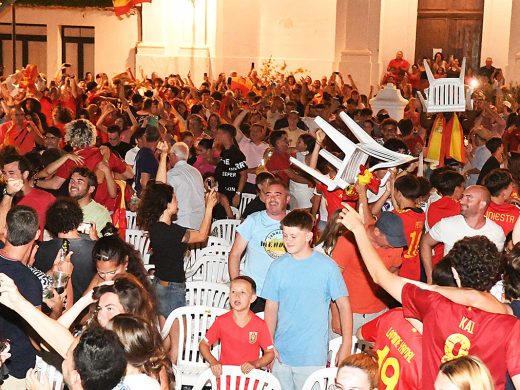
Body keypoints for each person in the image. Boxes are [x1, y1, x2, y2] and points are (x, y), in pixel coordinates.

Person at [337, 204, 520, 389]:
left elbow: (380, 276)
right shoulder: (510, 324)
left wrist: (358, 230)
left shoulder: (435, 307)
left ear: (454, 274)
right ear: (493, 276)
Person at [263, 209, 352, 390]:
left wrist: (347, 343)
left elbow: (344, 305)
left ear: (309, 236)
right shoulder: (277, 267)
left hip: (311, 356)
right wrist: (269, 345)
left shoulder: (327, 266)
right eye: (285, 235)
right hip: (281, 353)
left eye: (293, 236)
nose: (287, 240)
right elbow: (271, 308)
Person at [136, 182, 217, 317]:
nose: (177, 201)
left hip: (159, 284)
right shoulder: (171, 231)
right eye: (174, 198)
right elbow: (202, 236)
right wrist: (209, 208)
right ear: (166, 204)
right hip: (172, 289)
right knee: (180, 336)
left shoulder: (156, 227)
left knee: (165, 335)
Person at [420, 185, 505, 283]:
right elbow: (425, 242)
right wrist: (430, 276)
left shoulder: (496, 232)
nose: (461, 201)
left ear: (482, 204)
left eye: (468, 198)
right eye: (462, 197)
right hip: (449, 286)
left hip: (477, 290)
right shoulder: (447, 224)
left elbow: (495, 265)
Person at [228, 180, 290, 312]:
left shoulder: (295, 221)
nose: (272, 199)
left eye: (277, 195)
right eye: (268, 195)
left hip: (285, 293)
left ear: (287, 199)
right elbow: (235, 254)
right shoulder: (253, 220)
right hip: (256, 293)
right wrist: (238, 287)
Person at [199, 276, 274, 378]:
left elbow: (270, 353)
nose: (237, 296)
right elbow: (203, 345)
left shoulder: (259, 324)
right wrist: (213, 362)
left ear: (252, 298)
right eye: (233, 292)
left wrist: (255, 363)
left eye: (242, 292)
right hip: (225, 379)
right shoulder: (221, 321)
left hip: (250, 380)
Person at [0, 206, 42, 388]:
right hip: (14, 369)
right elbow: (38, 341)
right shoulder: (30, 282)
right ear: (38, 234)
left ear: (5, 231)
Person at [34, 197, 96, 302]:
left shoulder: (38, 250)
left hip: (50, 306)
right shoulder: (95, 249)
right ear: (79, 219)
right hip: (85, 309)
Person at [0, 152, 56, 239]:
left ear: (25, 174)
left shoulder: (45, 198)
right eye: (4, 173)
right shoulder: (4, 197)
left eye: (11, 173)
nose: (6, 178)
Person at [161, 141, 205, 229]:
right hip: (200, 221)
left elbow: (164, 199)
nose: (169, 158)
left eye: (169, 155)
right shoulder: (196, 172)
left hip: (182, 223)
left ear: (174, 155)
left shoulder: (172, 174)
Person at [425, 170, 464, 268]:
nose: (464, 190)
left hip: (434, 259)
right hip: (454, 260)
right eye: (462, 186)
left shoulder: (433, 206)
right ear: (456, 189)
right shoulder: (460, 207)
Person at [391, 174, 425, 281]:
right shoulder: (420, 213)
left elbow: (398, 211)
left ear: (399, 194)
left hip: (400, 268)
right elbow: (400, 209)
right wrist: (393, 183)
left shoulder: (397, 217)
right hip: (414, 267)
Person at [68, 167, 112, 236]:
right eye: (71, 181)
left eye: (79, 182)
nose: (73, 184)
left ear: (91, 189)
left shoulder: (101, 213)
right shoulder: (63, 208)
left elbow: (108, 244)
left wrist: (94, 238)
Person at [214, 123, 247, 208]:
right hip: (222, 192)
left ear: (225, 135)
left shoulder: (236, 154)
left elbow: (243, 175)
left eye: (218, 133)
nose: (216, 136)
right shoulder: (224, 152)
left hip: (231, 194)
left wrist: (237, 194)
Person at [483, 169, 520, 235]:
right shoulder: (516, 213)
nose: (513, 186)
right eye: (511, 185)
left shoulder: (478, 207)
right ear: (504, 193)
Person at [134, 125, 161, 196]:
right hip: (147, 197)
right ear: (158, 139)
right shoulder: (147, 155)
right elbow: (144, 182)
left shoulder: (143, 151)